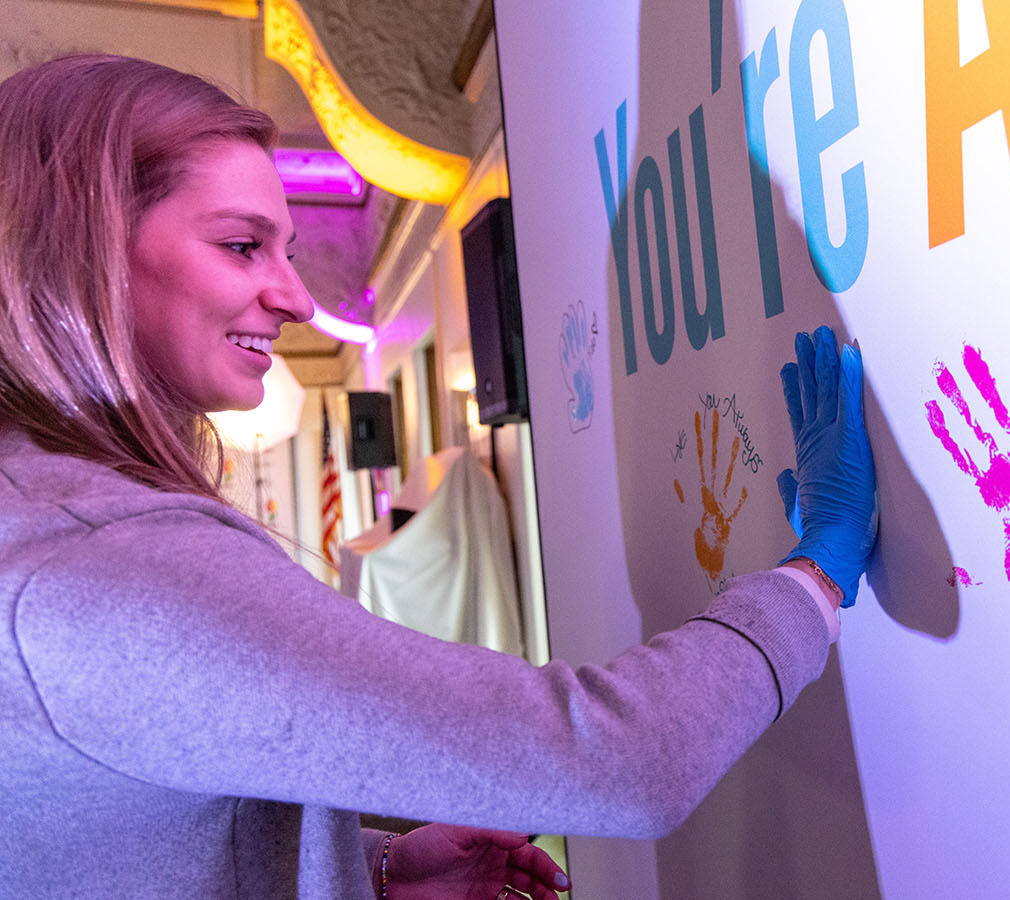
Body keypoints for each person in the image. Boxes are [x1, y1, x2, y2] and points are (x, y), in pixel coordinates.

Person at [0, 54, 878, 899]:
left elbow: (128, 831)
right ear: (81, 256)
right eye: (241, 246)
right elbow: (620, 761)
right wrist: (815, 575)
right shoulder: (103, 561)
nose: (297, 298)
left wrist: (373, 865)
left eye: (288, 249)